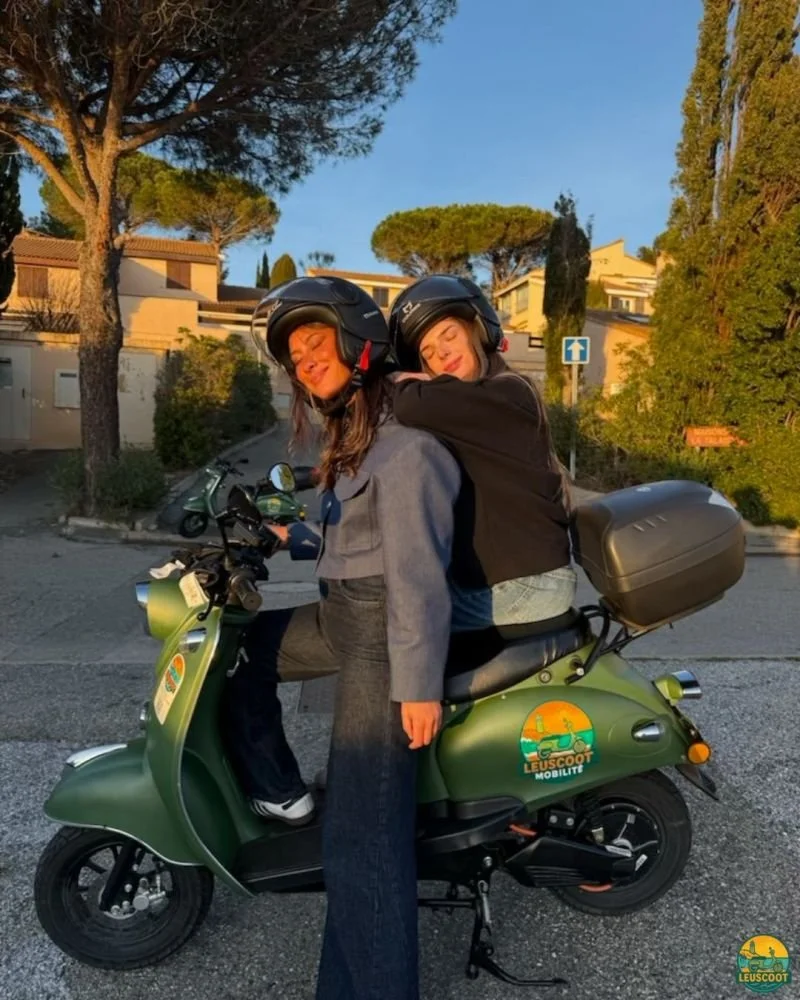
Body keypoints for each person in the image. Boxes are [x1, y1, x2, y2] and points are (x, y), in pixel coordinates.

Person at [223, 275, 461, 1000]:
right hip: (343, 616)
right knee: (239, 654)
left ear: (357, 339)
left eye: (313, 344)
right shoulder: (358, 438)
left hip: (384, 639)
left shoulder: (407, 449)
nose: (305, 362)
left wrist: (416, 688)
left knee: (363, 841)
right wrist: (291, 538)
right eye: (295, 357)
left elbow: (417, 575)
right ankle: (282, 797)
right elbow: (355, 544)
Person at [387, 273, 577, 632]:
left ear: (477, 331)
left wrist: (399, 381)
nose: (441, 353)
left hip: (526, 586)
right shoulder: (469, 409)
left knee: (391, 623)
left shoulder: (509, 392)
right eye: (428, 353)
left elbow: (408, 405)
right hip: (519, 582)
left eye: (449, 335)